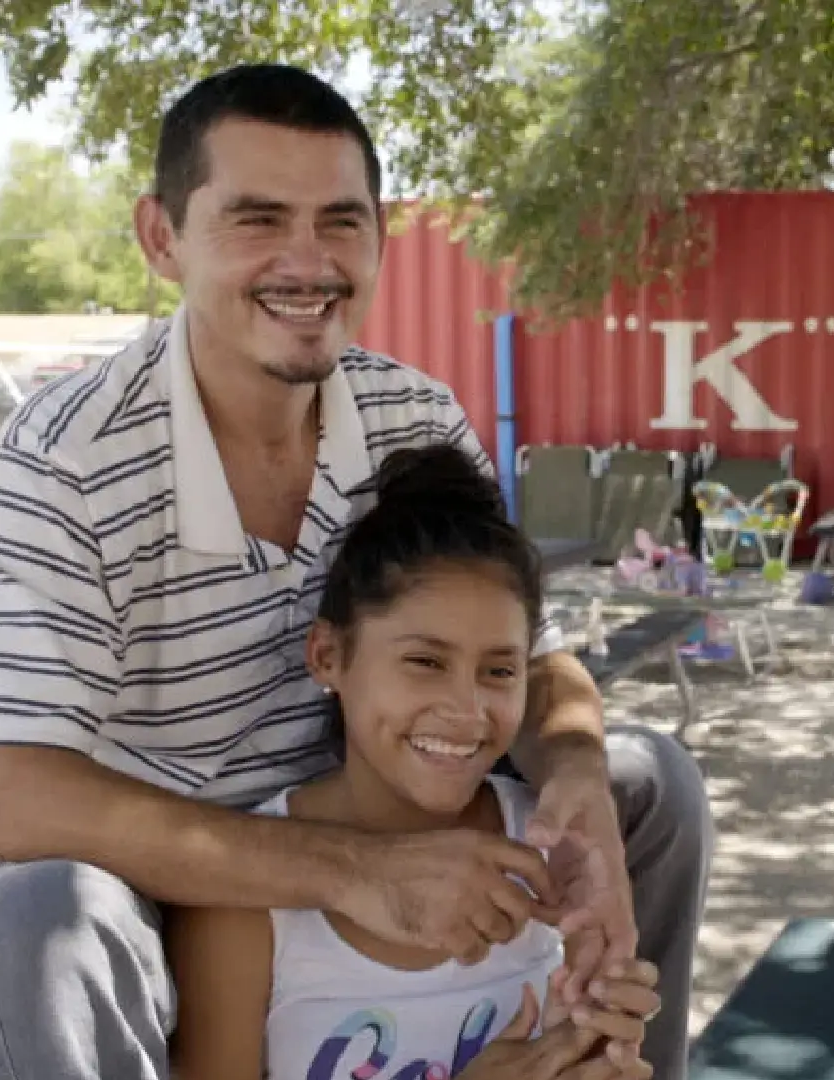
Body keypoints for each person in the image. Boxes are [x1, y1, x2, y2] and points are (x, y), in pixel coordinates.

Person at [0, 62, 714, 1080]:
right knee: (39, 915)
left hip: (359, 798)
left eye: (341, 223)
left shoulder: (415, 418)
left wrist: (572, 777)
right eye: (258, 219)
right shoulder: (67, 455)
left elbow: (525, 660)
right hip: (165, 860)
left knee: (642, 784)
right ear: (160, 237)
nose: (307, 263)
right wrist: (360, 871)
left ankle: (610, 1055)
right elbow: (16, 801)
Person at [167, 443, 657, 1080]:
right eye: (425, 662)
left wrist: (595, 1050)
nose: (466, 708)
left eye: (499, 670)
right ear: (327, 657)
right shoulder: (244, 906)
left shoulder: (549, 851)